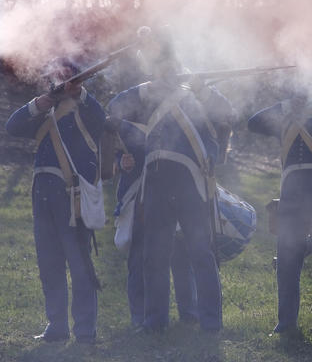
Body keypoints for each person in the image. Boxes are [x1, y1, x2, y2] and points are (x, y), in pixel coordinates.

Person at [108, 27, 231, 332]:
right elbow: (113, 109)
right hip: (157, 182)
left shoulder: (196, 92)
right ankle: (155, 321)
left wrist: (202, 89)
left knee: (201, 252)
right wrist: (145, 89)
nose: (163, 70)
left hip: (191, 181)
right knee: (154, 254)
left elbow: (226, 114)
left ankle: (210, 322)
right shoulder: (145, 94)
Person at [5, 58, 105, 343]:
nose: (57, 79)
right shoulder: (44, 110)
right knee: (49, 264)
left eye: (64, 75)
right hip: (42, 195)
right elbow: (13, 127)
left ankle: (85, 330)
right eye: (54, 76)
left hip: (70, 197)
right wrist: (40, 102)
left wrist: (80, 94)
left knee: (79, 264)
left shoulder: (85, 108)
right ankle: (57, 326)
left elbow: (102, 121)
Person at [248, 88, 312, 336]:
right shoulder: (285, 113)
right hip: (292, 195)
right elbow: (253, 123)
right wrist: (287, 106)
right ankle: (286, 323)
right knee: (287, 260)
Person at [105, 115, 201, 329]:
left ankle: (190, 313)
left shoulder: (179, 112)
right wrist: (122, 163)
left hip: (175, 193)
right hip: (139, 197)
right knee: (138, 260)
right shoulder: (132, 113)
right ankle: (141, 316)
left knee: (180, 258)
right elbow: (114, 156)